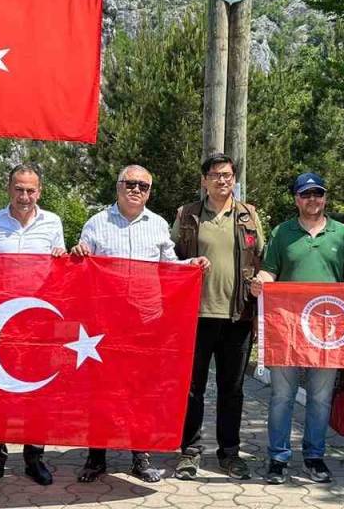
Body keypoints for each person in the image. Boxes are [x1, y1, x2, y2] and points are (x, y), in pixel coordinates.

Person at [70, 164, 209, 483]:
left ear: (149, 191)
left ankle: (140, 456)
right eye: (130, 184)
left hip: (146, 321)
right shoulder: (96, 223)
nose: (136, 190)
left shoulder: (159, 224)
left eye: (143, 186)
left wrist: (192, 265)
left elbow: (169, 267)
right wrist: (78, 253)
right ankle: (96, 456)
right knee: (101, 389)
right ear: (118, 186)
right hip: (104, 321)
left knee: (140, 390)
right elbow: (81, 261)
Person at [251, 172, 344, 485]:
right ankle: (277, 458)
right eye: (306, 194)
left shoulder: (341, 234)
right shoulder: (282, 232)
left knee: (320, 399)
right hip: (287, 330)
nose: (312, 199)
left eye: (318, 194)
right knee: (282, 396)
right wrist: (259, 283)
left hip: (327, 332)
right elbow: (269, 272)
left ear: (325, 198)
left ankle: (314, 457)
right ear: (296, 199)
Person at [171, 153, 264, 481]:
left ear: (234, 179)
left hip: (237, 315)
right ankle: (190, 451)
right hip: (195, 315)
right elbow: (170, 259)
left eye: (227, 175)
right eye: (215, 175)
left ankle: (229, 453)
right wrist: (187, 265)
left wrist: (263, 279)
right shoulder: (187, 216)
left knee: (232, 388)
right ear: (204, 180)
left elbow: (263, 260)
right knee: (193, 388)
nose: (222, 180)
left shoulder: (249, 216)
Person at [0, 163, 67, 489]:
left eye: (30, 190)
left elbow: (62, 271)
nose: (24, 196)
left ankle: (34, 458)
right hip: (0, 324)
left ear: (39, 191)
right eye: (19, 189)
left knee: (37, 393)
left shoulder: (53, 222)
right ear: (9, 188)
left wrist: (62, 255)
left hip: (38, 323)